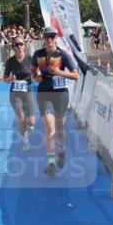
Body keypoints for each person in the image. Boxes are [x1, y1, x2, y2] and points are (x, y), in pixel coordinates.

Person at [33, 27, 80, 177]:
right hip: (44, 93)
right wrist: (37, 76)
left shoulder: (62, 55)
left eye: (52, 37)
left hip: (60, 95)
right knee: (49, 128)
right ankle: (51, 162)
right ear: (44, 38)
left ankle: (61, 151)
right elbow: (33, 70)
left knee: (60, 128)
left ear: (56, 38)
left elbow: (76, 75)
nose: (49, 39)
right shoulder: (38, 54)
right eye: (47, 37)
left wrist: (59, 72)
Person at [3, 38, 36, 151]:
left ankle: (30, 127)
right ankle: (25, 142)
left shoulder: (31, 59)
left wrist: (37, 75)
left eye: (21, 44)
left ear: (24, 46)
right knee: (21, 117)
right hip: (15, 93)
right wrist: (10, 80)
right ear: (13, 47)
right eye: (16, 44)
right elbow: (4, 78)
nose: (19, 46)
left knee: (31, 121)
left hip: (28, 90)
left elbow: (37, 73)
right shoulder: (10, 61)